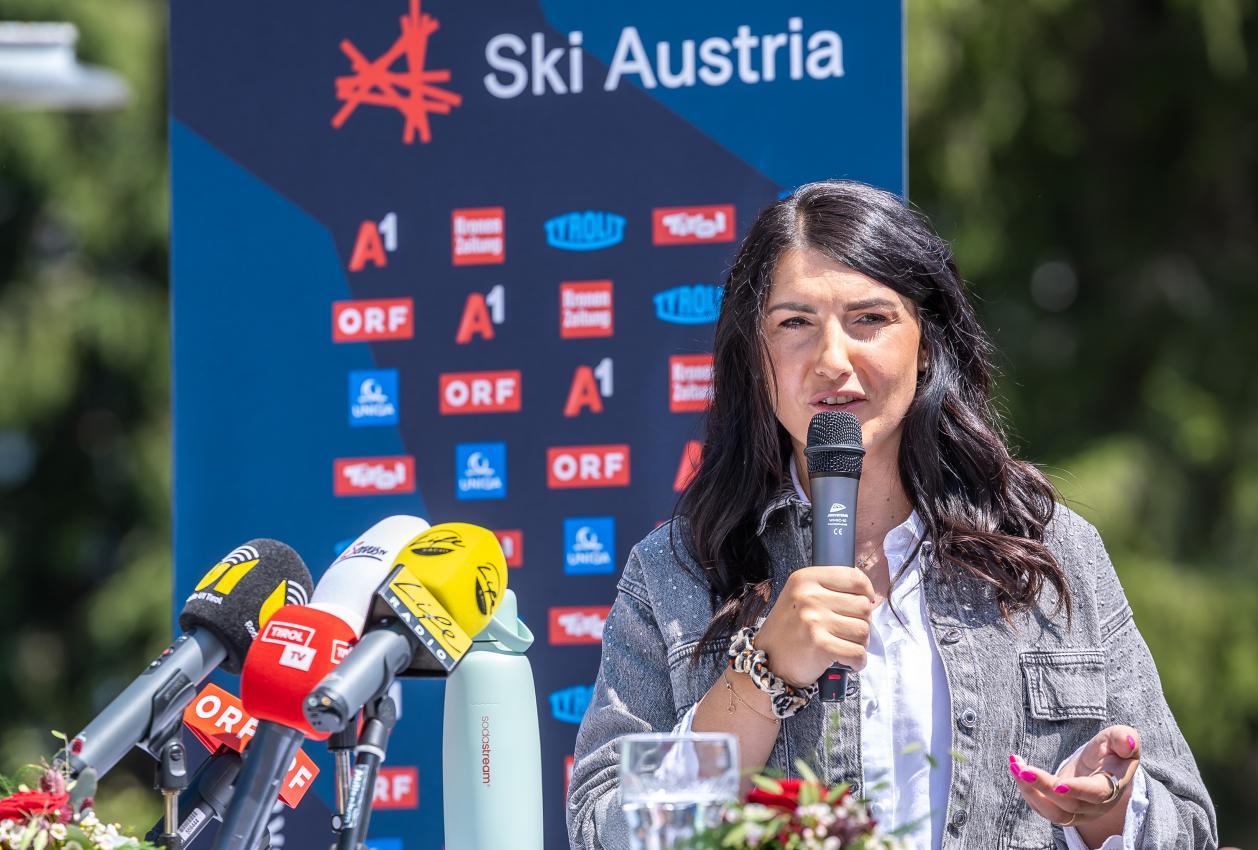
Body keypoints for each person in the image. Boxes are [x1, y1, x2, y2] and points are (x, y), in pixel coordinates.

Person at [566, 181, 1217, 850]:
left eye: (869, 319)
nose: (832, 360)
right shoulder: (677, 569)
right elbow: (602, 827)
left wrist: (1105, 814)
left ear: (927, 344)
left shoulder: (1050, 548)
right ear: (757, 361)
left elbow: (1189, 824)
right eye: (795, 324)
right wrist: (761, 678)